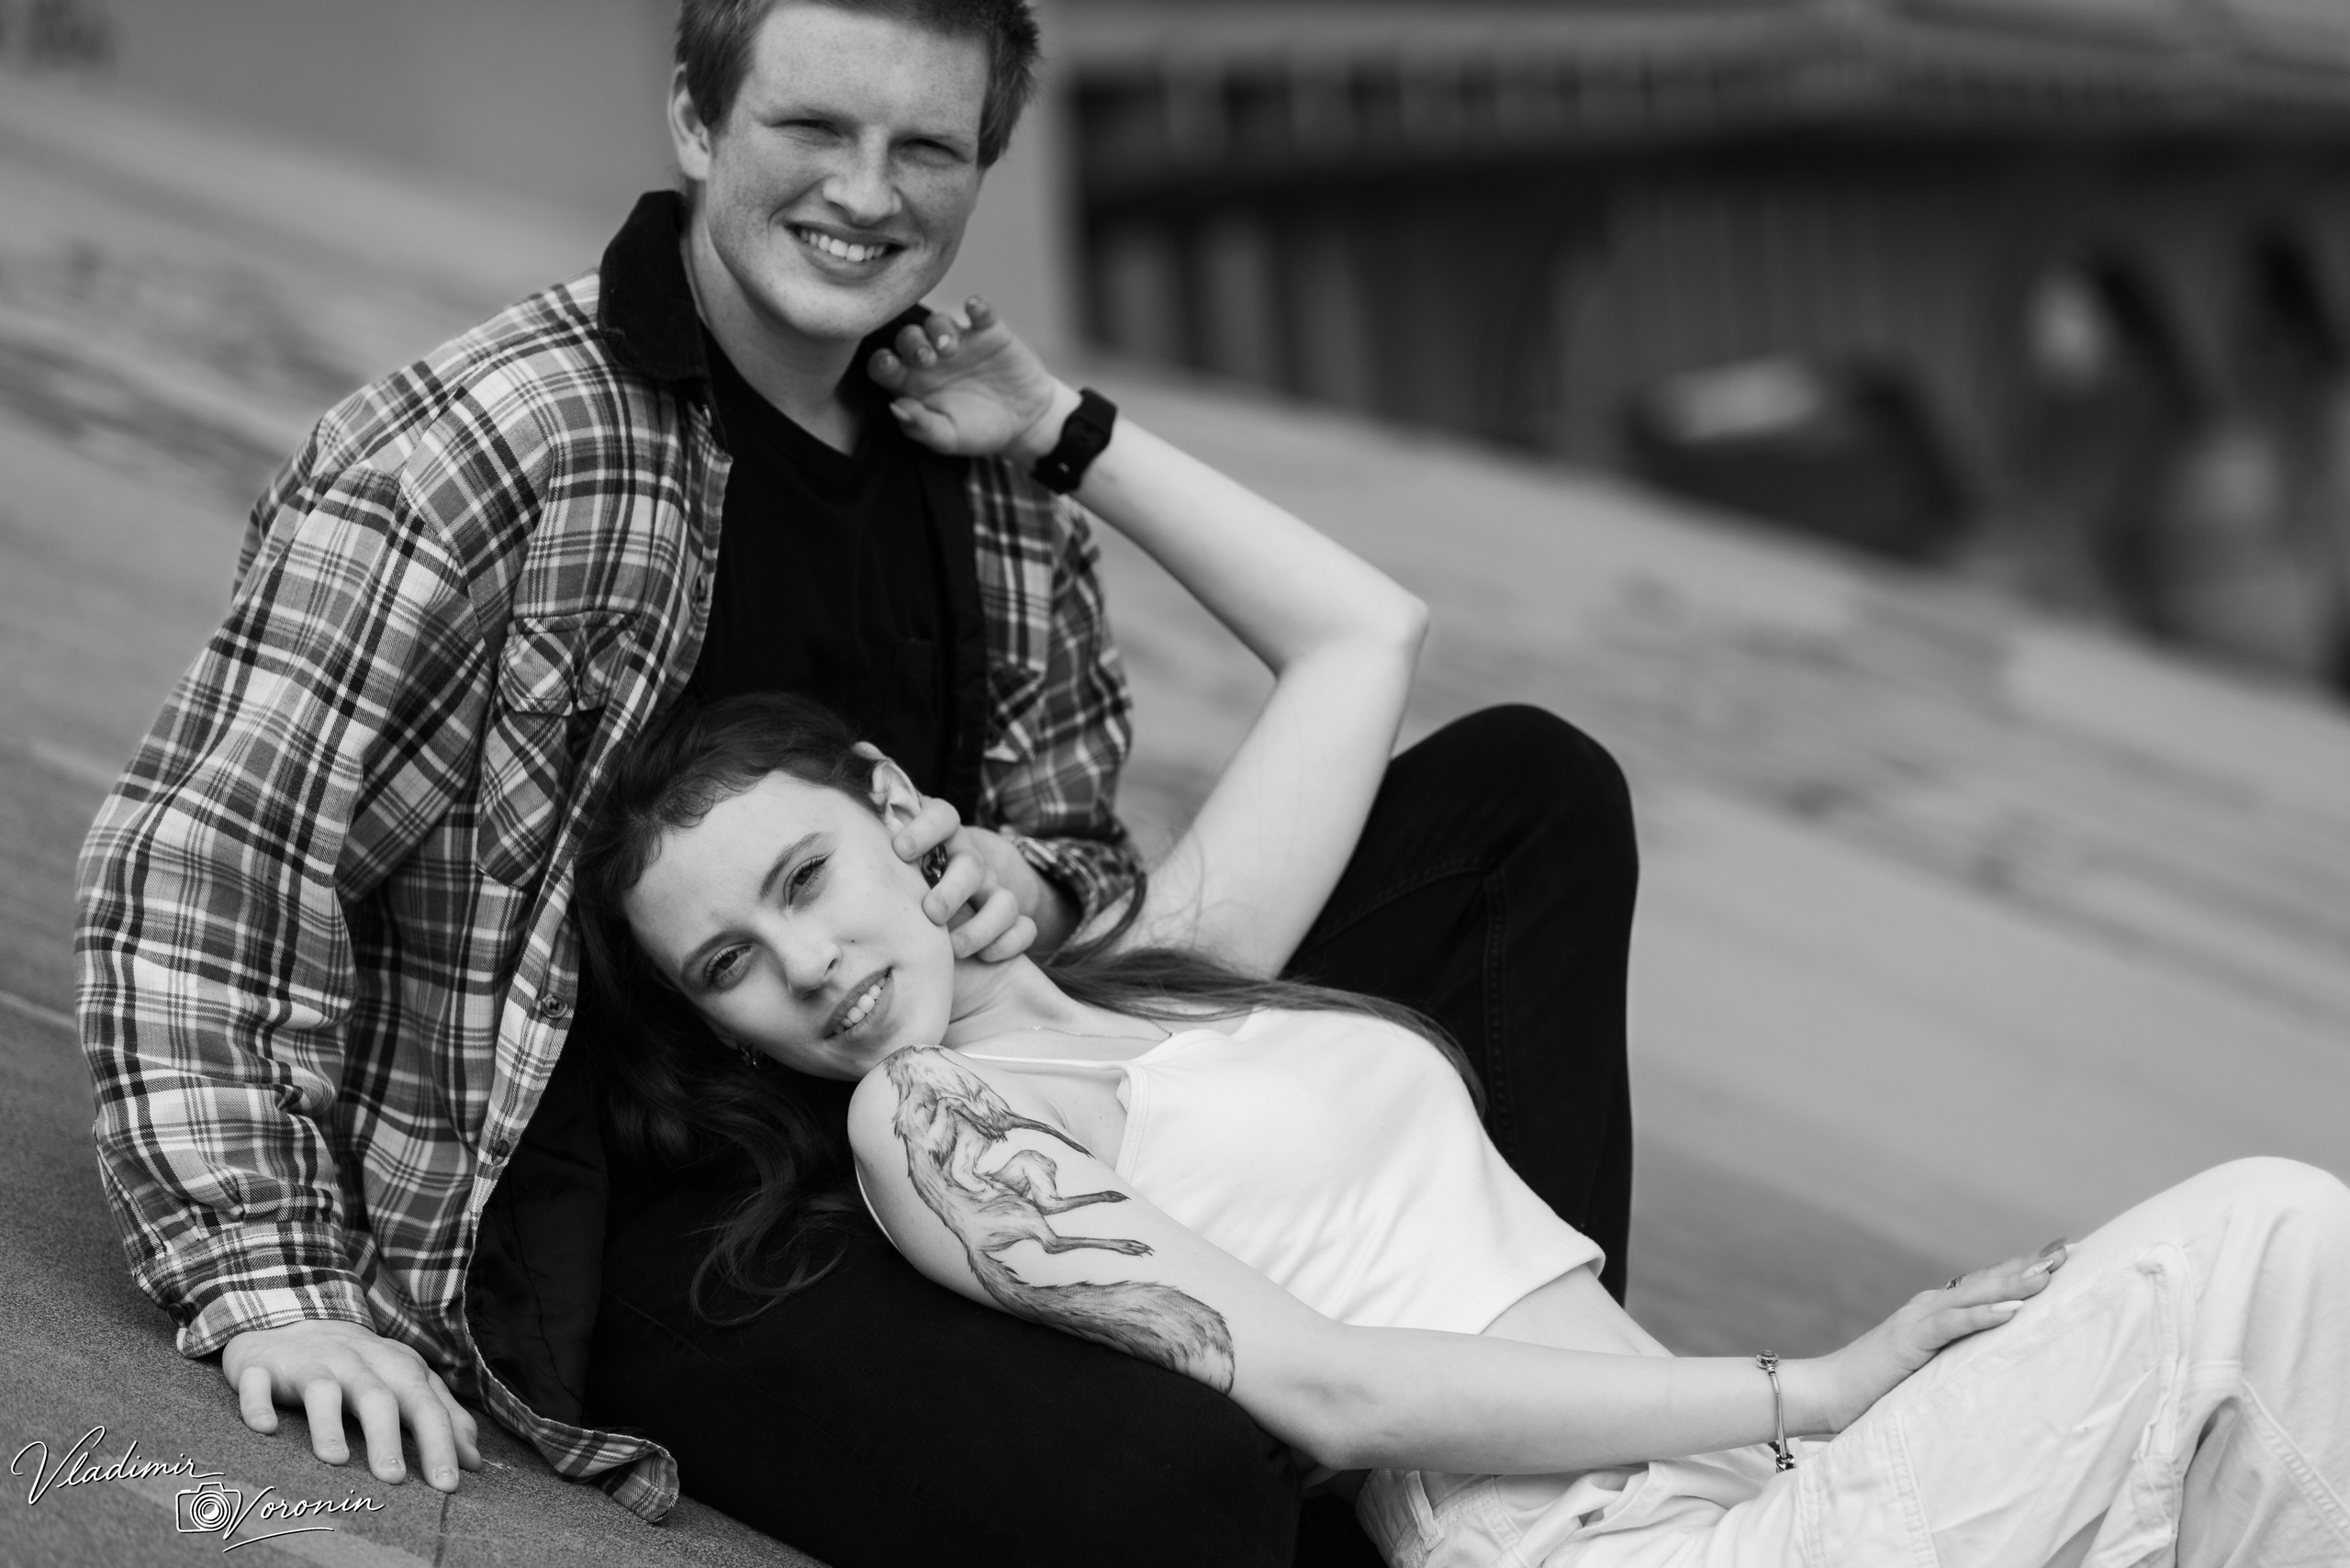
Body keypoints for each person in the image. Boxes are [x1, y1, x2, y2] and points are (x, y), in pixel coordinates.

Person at [73, 2, 1634, 1563]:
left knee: (1523, 795)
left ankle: (1561, 1458)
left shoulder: (978, 477)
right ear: (697, 122)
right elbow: (209, 857)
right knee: (1176, 1482)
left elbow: (1081, 838)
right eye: (814, 129)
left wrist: (1028, 876)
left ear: (980, 167)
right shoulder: (491, 446)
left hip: (1005, 1101)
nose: (868, 194)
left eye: (925, 149)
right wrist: (267, 1280)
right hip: (690, 1216)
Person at [582, 315, 2350, 1568]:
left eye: (800, 878)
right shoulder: (939, 1125)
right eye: (729, 965)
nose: (800, 964)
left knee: (2246, 1443)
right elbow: (1328, 1395)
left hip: (1734, 1488)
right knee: (2268, 1242)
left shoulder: (1163, 977)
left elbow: (1366, 635)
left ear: (896, 807)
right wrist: (1825, 1377)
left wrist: (1060, 426)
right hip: (1590, 1542)